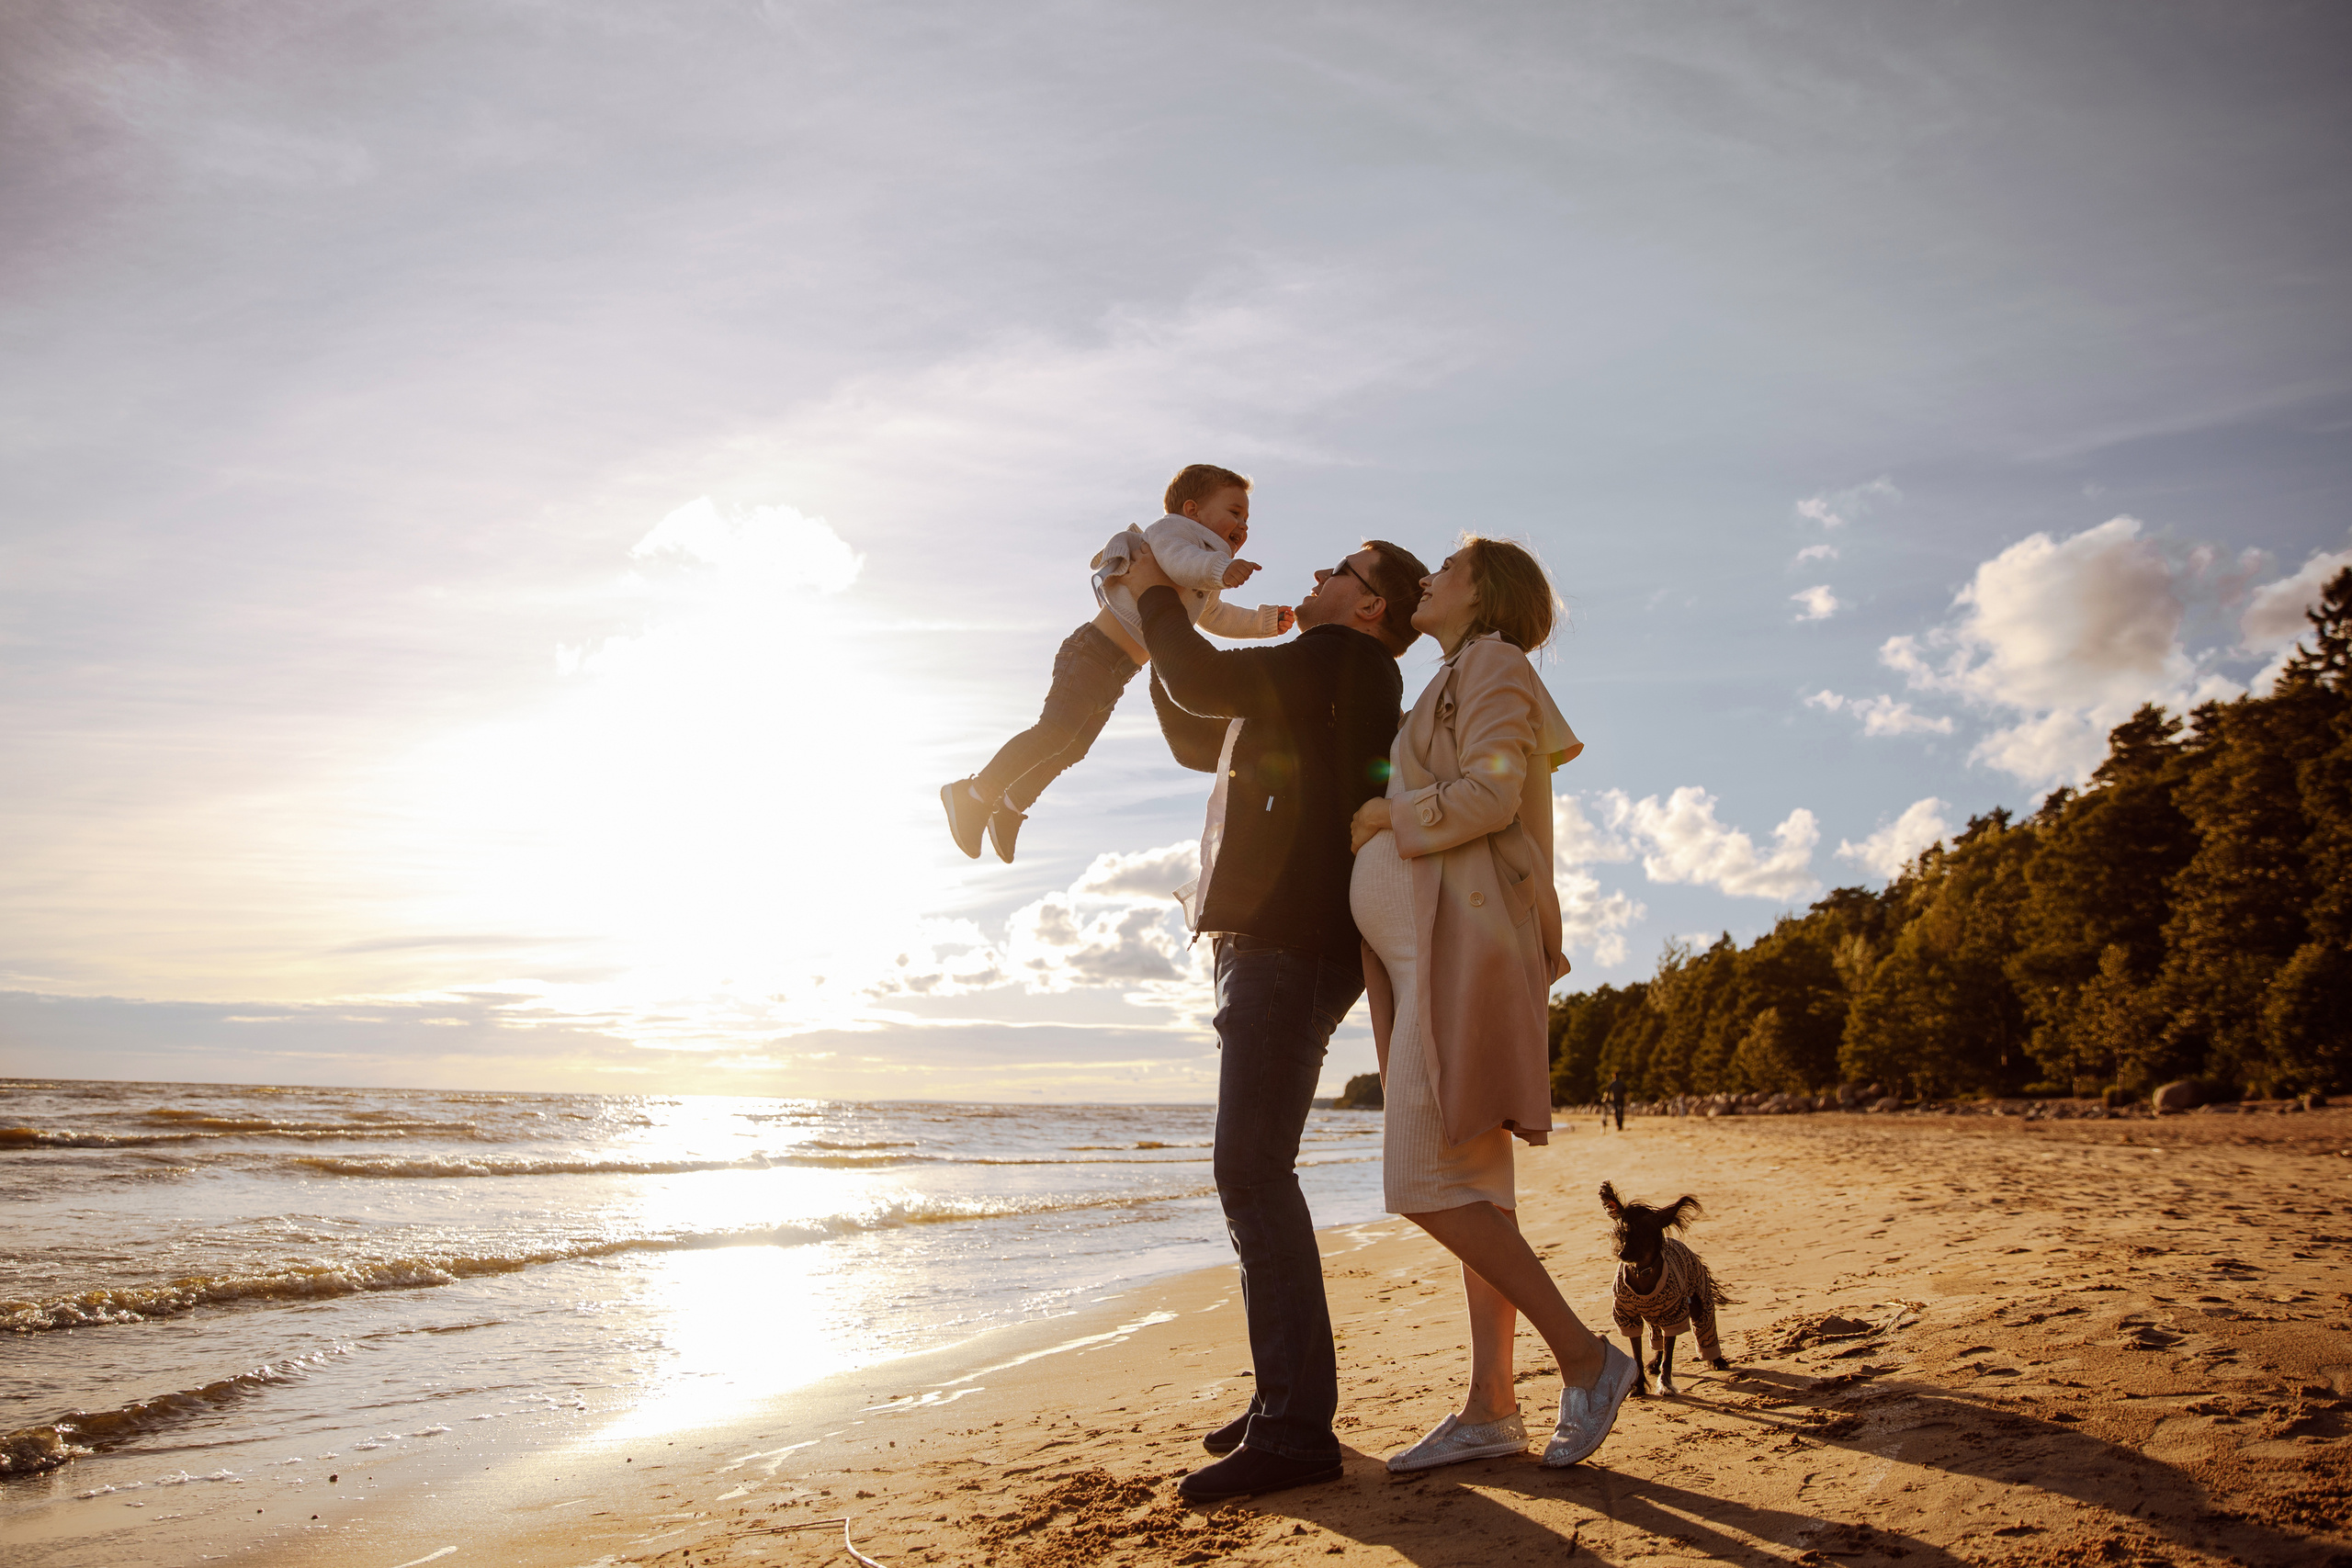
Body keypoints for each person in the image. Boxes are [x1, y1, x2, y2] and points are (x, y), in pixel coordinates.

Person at [1125, 533, 1430, 1504]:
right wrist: (1144, 633)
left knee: (1252, 1172)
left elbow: (1205, 676)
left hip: (1289, 944)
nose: (1315, 580)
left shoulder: (1344, 658)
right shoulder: (1323, 679)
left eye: (1338, 571)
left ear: (1371, 605)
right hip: (1275, 943)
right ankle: (1280, 1402)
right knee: (1252, 1174)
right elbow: (1192, 726)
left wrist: (1153, 597)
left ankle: (1296, 1428)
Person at [1346, 536, 1640, 1473]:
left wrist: (1385, 817)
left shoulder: (1495, 661)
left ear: (1485, 592)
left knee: (1422, 1183)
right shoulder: (1458, 670)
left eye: (1446, 567)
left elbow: (1489, 795)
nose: (1426, 578)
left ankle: (1588, 1360)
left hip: (1457, 944)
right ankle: (1489, 1408)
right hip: (1431, 945)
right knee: (1471, 1187)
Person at [940, 465, 1294, 864]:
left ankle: (1010, 804)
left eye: (1246, 519)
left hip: (1119, 669)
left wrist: (1263, 623)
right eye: (1234, 512)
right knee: (1054, 731)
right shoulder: (1171, 534)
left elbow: (1216, 617)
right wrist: (1221, 570)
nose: (1242, 525)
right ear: (1192, 510)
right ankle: (973, 794)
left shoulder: (1206, 569)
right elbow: (1181, 562)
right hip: (1092, 652)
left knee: (1072, 747)